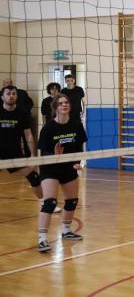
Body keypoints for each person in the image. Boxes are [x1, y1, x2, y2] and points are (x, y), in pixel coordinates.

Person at [36, 94, 87, 252]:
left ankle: (66, 231)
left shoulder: (77, 125)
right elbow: (42, 153)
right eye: (60, 103)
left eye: (66, 102)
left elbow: (79, 147)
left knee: (72, 201)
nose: (64, 105)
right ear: (55, 107)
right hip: (50, 168)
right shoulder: (48, 128)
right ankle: (42, 239)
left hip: (68, 167)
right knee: (50, 203)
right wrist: (54, 155)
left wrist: (78, 162)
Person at [0, 85, 44, 203]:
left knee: (34, 177)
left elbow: (28, 135)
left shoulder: (22, 113)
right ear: (2, 97)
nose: (11, 96)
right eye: (8, 94)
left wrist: (33, 156)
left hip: (14, 152)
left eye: (13, 93)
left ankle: (45, 203)